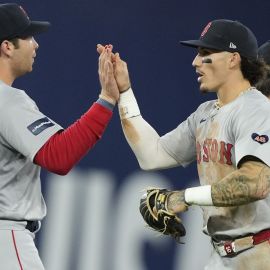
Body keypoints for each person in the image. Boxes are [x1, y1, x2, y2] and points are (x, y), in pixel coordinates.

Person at [98, 19, 270, 270]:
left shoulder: (257, 109)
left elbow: (256, 182)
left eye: (206, 53)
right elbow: (152, 155)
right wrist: (125, 92)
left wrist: (185, 197)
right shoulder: (205, 113)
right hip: (221, 255)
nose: (196, 62)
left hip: (259, 252)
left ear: (233, 59)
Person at [0, 3, 118, 270]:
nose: (35, 45)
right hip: (6, 241)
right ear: (7, 46)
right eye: (28, 37)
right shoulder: (7, 100)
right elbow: (58, 155)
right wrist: (106, 99)